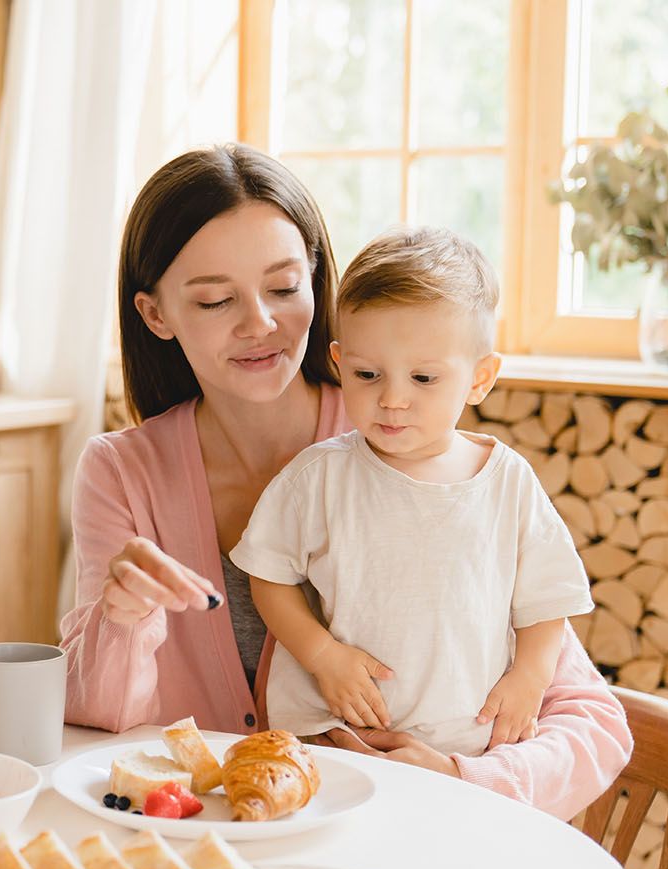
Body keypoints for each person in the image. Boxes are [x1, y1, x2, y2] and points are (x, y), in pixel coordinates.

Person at [62, 144, 631, 819]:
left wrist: (457, 777)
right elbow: (93, 716)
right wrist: (124, 618)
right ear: (156, 314)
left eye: (282, 287)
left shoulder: (425, 448)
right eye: (215, 300)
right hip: (207, 837)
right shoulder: (121, 472)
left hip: (399, 833)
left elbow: (594, 724)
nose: (260, 323)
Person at [232, 225, 594, 759]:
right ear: (339, 363)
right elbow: (268, 576)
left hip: (465, 744)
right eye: (368, 373)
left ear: (480, 378)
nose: (393, 399)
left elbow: (547, 600)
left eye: (423, 379)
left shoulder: (506, 482)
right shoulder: (320, 478)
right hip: (339, 735)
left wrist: (531, 679)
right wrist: (323, 654)